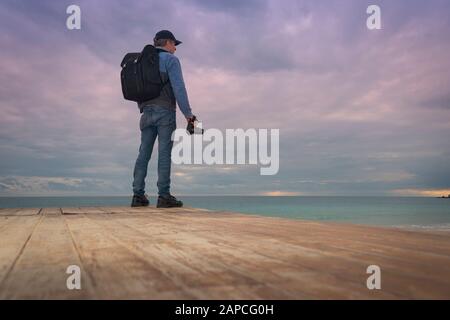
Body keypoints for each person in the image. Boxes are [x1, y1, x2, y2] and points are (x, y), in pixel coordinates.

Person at [131, 30, 195, 208]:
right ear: (167, 42)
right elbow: (179, 89)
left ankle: (138, 195)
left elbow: (138, 88)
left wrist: (144, 107)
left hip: (146, 113)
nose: (175, 48)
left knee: (143, 153)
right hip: (165, 112)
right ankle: (164, 196)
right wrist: (189, 115)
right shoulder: (171, 60)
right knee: (164, 154)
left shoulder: (144, 61)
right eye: (174, 44)